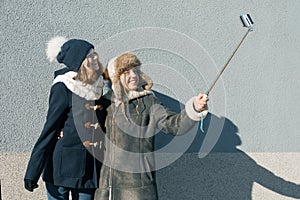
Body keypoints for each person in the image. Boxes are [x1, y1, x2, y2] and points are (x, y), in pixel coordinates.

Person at [94, 52, 209, 200]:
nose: (134, 75)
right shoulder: (104, 103)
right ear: (116, 77)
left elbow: (173, 124)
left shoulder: (148, 101)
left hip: (137, 187)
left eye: (135, 70)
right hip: (107, 186)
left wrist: (194, 108)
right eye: (127, 72)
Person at [24, 36, 110, 200]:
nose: (95, 58)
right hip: (62, 167)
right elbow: (50, 128)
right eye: (90, 55)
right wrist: (32, 171)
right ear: (79, 60)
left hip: (88, 167)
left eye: (94, 53)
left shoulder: (96, 87)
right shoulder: (63, 86)